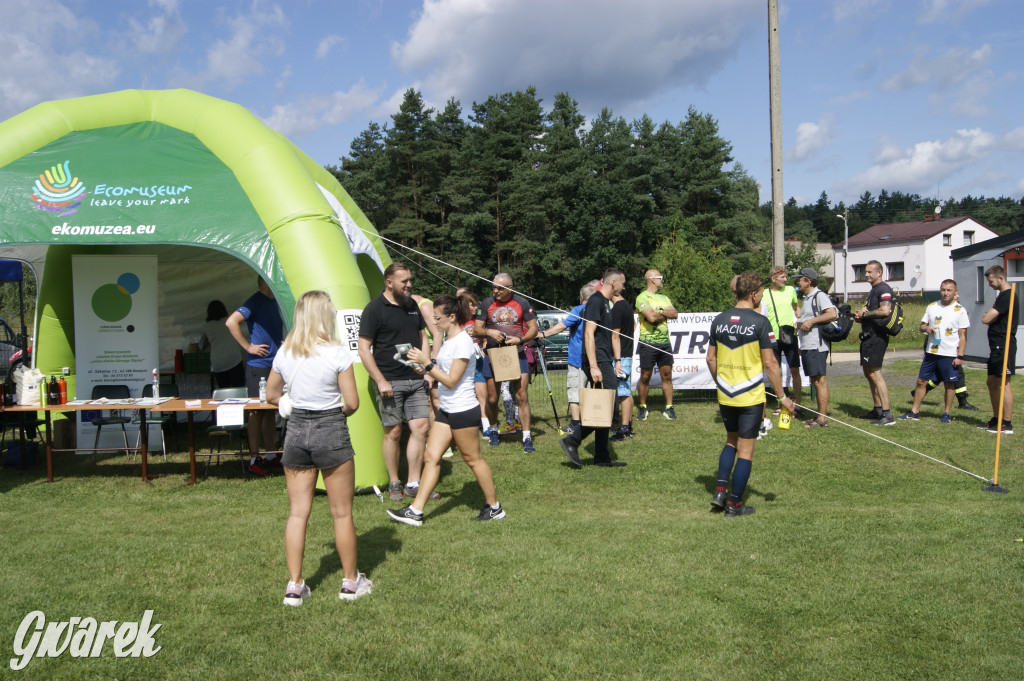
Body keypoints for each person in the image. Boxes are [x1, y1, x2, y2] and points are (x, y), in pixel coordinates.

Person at [267, 291, 372, 605]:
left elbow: (272, 393)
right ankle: (350, 582)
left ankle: (295, 585)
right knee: (341, 514)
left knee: (298, 514)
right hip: (331, 427)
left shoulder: (286, 352)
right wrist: (334, 413)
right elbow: (351, 403)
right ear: (326, 316)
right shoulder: (338, 353)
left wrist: (288, 402)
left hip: (297, 429)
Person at [387, 294, 505, 526]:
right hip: (447, 410)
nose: (434, 322)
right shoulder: (448, 341)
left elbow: (451, 381)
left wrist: (428, 363)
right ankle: (415, 511)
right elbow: (442, 372)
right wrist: (425, 368)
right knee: (431, 456)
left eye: (438, 318)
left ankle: (494, 507)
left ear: (452, 317)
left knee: (473, 459)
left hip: (463, 410)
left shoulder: (462, 342)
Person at [707, 272, 795, 518]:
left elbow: (710, 358)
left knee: (730, 442)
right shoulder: (760, 322)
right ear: (754, 294)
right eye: (762, 292)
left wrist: (721, 382)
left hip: (726, 395)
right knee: (745, 451)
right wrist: (782, 398)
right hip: (750, 397)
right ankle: (734, 505)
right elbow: (771, 365)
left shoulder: (719, 319)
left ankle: (720, 492)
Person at [357, 263, 437, 502]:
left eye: (410, 280)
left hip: (416, 379)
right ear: (389, 283)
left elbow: (423, 338)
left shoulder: (412, 306)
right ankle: (394, 482)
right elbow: (363, 348)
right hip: (389, 381)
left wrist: (427, 369)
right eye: (404, 281)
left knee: (421, 427)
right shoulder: (374, 309)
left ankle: (414, 483)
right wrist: (380, 380)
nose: (409, 285)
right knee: (393, 432)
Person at [560, 269, 628, 468]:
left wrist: (615, 360)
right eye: (622, 283)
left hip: (604, 359)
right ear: (613, 282)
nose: (624, 287)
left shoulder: (605, 303)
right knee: (609, 408)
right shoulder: (597, 301)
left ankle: (601, 455)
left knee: (606, 407)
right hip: (597, 361)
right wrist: (594, 366)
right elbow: (589, 335)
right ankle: (572, 440)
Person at [225, 276, 285, 475]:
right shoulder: (255, 300)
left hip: (273, 365)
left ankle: (270, 455)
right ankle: (253, 458)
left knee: (269, 409)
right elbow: (231, 322)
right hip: (257, 366)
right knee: (256, 410)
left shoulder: (273, 301)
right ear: (265, 282)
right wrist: (248, 347)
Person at [474, 273, 539, 453]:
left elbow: (534, 329)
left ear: (510, 288)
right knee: (493, 399)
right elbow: (477, 329)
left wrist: (520, 339)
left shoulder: (522, 303)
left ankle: (526, 436)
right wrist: (489, 333)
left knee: (522, 396)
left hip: (517, 353)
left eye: (500, 288)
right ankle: (494, 430)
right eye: (493, 287)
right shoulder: (486, 303)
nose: (496, 291)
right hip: (493, 354)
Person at [900, 279, 969, 424]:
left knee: (948, 384)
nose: (945, 293)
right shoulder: (932, 307)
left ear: (955, 292)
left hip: (949, 353)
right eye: (943, 289)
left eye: (949, 290)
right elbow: (922, 326)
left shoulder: (960, 310)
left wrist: (960, 355)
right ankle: (914, 411)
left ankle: (946, 413)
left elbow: (963, 335)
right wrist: (927, 329)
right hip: (932, 351)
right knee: (921, 381)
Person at [539, 281, 598, 437]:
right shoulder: (601, 310)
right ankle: (596, 421)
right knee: (595, 392)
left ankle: (575, 424)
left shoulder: (579, 310)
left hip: (578, 359)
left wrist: (543, 334)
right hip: (597, 359)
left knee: (575, 392)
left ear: (581, 296)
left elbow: (561, 326)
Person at [854, 260, 895, 426]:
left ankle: (887, 414)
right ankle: (877, 409)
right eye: (865, 272)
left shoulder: (883, 289)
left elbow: (885, 310)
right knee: (868, 372)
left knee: (876, 373)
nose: (866, 275)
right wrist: (861, 316)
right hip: (868, 336)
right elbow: (871, 313)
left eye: (870, 272)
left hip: (877, 337)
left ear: (879, 273)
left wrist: (866, 315)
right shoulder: (873, 291)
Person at [796, 268, 837, 428]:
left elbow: (832, 314)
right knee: (815, 380)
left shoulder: (820, 296)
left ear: (808, 281)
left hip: (817, 345)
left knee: (820, 381)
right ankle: (819, 414)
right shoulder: (807, 298)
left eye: (800, 279)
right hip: (808, 344)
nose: (798, 281)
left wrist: (811, 322)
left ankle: (822, 418)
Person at [635, 269, 678, 421]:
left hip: (665, 343)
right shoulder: (642, 297)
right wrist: (662, 312)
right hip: (648, 343)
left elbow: (675, 314)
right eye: (661, 277)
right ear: (652, 279)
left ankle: (669, 407)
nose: (663, 280)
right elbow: (651, 318)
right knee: (645, 375)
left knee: (667, 375)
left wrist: (658, 310)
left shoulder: (664, 297)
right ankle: (642, 407)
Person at [981, 265, 1019, 434]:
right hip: (995, 345)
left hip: (1004, 345)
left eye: (991, 281)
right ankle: (997, 418)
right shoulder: (1002, 296)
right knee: (991, 382)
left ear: (1000, 278)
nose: (990, 284)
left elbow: (987, 318)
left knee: (1003, 383)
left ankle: (1007, 423)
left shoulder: (1008, 296)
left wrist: (987, 317)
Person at [762, 266, 802, 411]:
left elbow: (797, 307)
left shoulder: (790, 290)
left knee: (794, 369)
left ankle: (798, 403)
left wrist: (798, 319)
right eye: (782, 277)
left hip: (789, 334)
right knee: (775, 370)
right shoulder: (765, 293)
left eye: (786, 277)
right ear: (774, 279)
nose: (786, 280)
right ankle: (781, 403)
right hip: (772, 335)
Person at [610, 289, 636, 441]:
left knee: (623, 392)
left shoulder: (618, 308)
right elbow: (633, 326)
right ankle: (628, 425)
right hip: (626, 353)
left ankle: (625, 429)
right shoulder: (626, 305)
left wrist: (617, 360)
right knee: (626, 390)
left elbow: (615, 335)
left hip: (622, 356)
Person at [201, 300, 244, 389]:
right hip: (234, 359)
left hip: (218, 362)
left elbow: (201, 346)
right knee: (239, 389)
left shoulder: (207, 326)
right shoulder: (230, 321)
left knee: (223, 390)